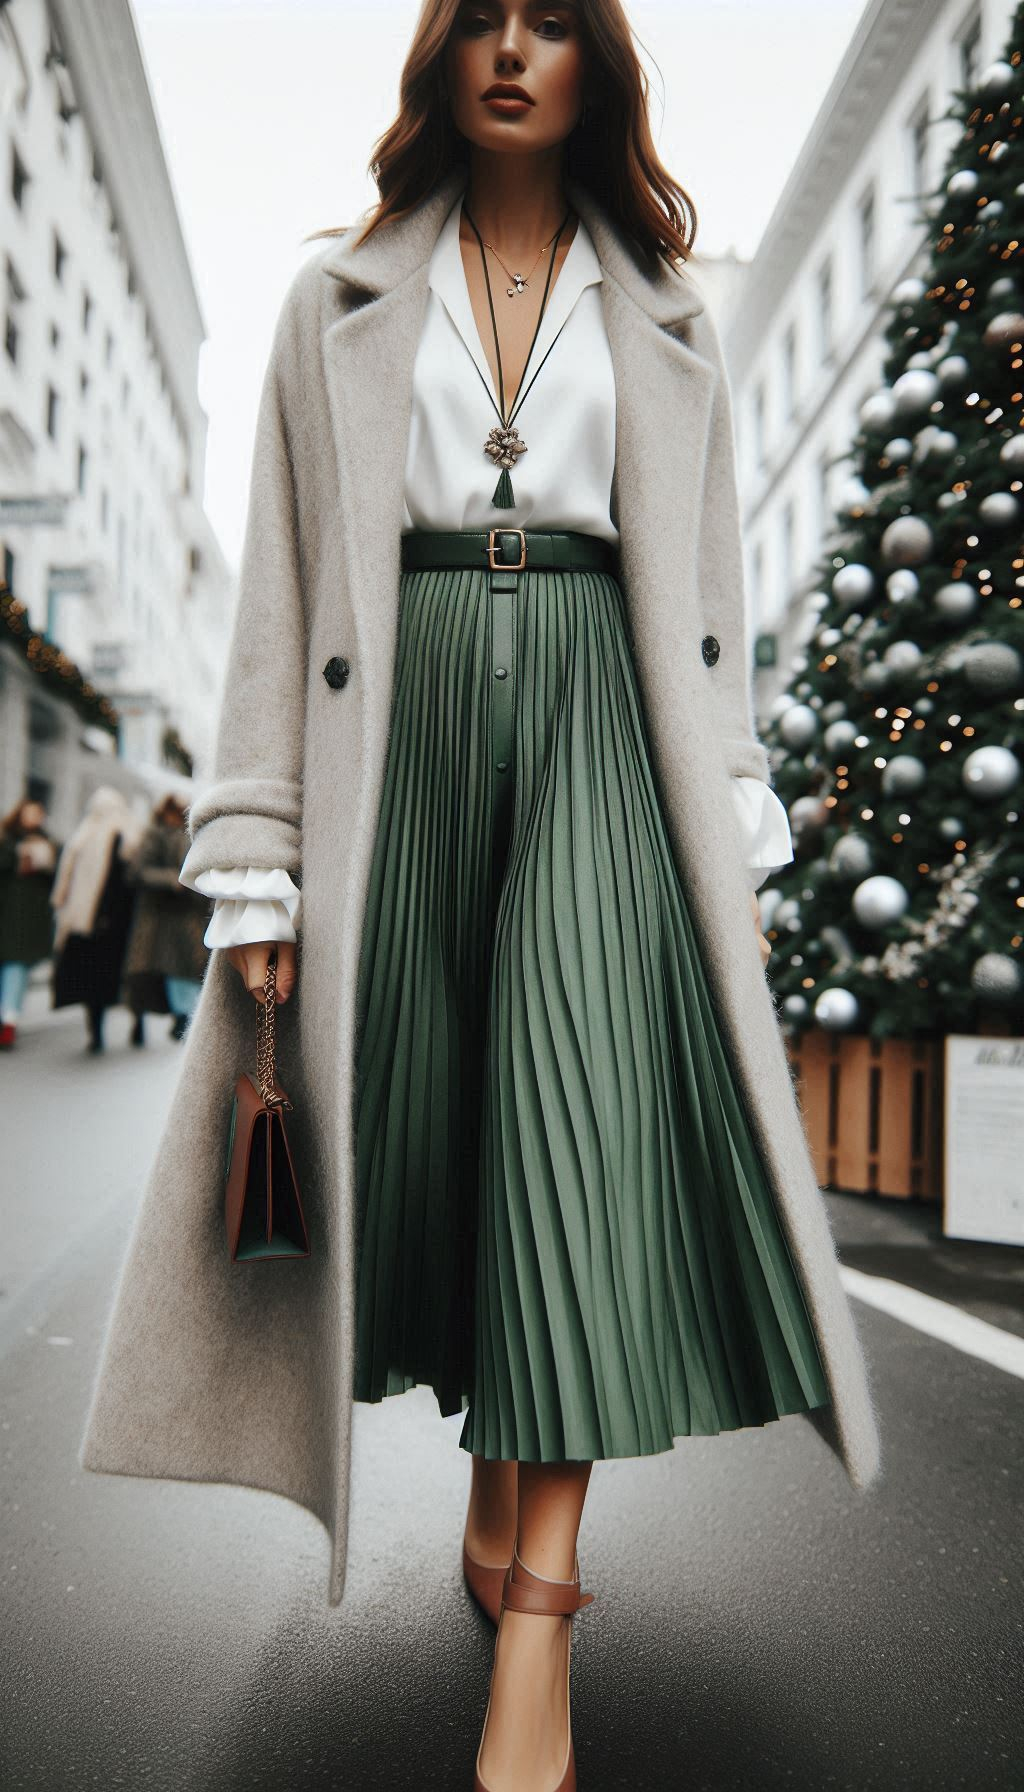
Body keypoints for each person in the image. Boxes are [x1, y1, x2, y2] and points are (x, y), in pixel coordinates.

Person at [80, 6, 882, 1788]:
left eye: (551, 22)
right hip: (406, 731)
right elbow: (278, 591)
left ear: (598, 65)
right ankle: (490, 1498)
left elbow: (706, 605)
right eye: (483, 20)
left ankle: (541, 1603)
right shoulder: (335, 300)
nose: (513, 50)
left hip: (603, 724)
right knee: (448, 1132)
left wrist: (727, 808)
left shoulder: (666, 312)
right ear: (439, 57)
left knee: (573, 1126)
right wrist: (255, 851)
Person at [51, 785, 145, 1054]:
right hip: (123, 921)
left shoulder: (83, 834)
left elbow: (65, 877)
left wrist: (62, 906)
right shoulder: (132, 833)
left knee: (93, 978)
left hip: (89, 921)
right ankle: (136, 1022)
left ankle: (97, 1031)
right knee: (123, 975)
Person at [123, 793, 209, 1044]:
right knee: (149, 972)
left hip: (187, 913)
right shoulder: (155, 834)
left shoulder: (194, 834)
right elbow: (138, 871)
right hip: (158, 916)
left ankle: (183, 1017)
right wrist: (171, 879)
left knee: (185, 968)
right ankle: (141, 1018)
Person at [0, 797, 58, 1049]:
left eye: (38, 813)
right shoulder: (7, 840)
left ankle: (9, 1020)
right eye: (30, 813)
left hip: (26, 920)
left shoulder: (48, 841)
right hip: (6, 911)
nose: (35, 818)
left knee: (16, 967)